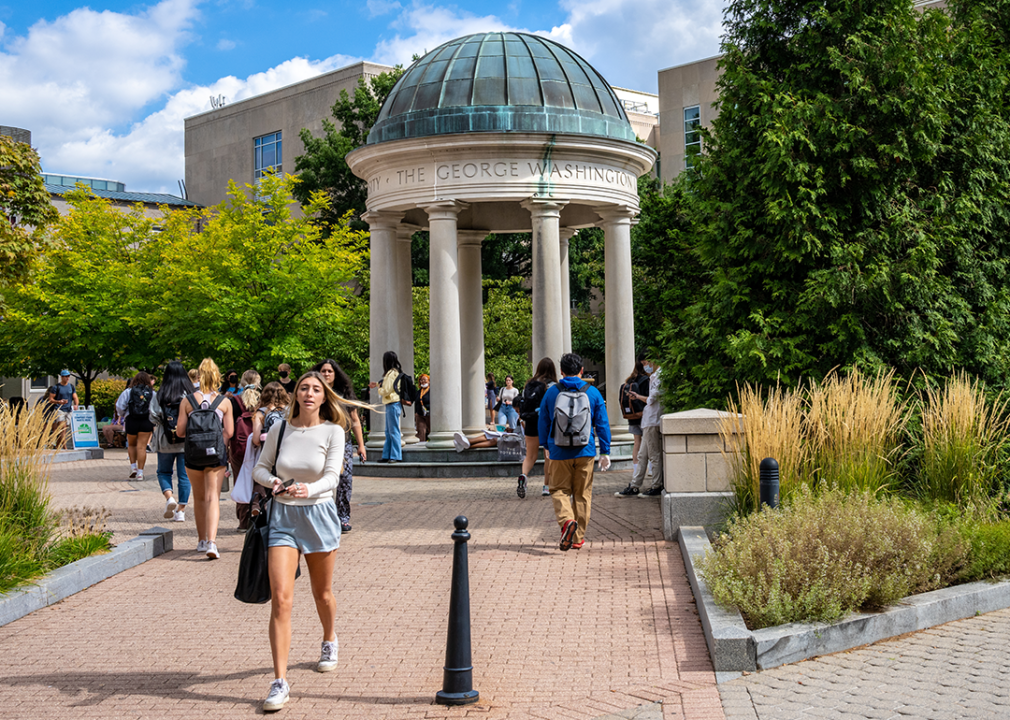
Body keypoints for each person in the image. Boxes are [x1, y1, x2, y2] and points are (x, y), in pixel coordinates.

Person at [252, 370, 348, 712]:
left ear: (324, 397)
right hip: (283, 519)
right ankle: (280, 682)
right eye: (304, 388)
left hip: (319, 517)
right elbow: (259, 469)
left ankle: (329, 638)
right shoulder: (279, 430)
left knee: (322, 593)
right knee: (281, 600)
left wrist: (309, 488)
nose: (309, 394)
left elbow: (333, 476)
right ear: (295, 394)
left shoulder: (333, 431)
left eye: (316, 390)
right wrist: (274, 482)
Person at [538, 353, 611, 551]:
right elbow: (602, 424)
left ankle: (567, 521)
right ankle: (577, 538)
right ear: (581, 371)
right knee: (582, 494)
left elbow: (543, 420)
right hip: (585, 450)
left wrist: (546, 444)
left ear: (561, 372)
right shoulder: (593, 393)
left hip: (559, 451)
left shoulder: (552, 392)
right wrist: (605, 451)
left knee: (559, 490)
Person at [176, 358, 235, 559]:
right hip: (215, 454)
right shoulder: (225, 402)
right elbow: (229, 431)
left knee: (199, 497)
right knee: (213, 498)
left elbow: (180, 432)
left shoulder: (187, 401)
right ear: (218, 377)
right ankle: (212, 542)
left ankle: (201, 540)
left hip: (193, 453)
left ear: (198, 377)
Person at [313, 359, 367, 532]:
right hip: (319, 444)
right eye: (323, 371)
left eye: (330, 371)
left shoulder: (345, 394)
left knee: (344, 481)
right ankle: (321, 517)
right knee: (319, 480)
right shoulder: (314, 393)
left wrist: (361, 445)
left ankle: (342, 517)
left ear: (336, 374)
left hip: (343, 444)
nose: (326, 374)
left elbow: (355, 421)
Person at [149, 361, 194, 522]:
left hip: (165, 438)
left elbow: (153, 415)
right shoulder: (190, 394)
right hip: (185, 439)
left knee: (163, 471)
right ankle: (181, 511)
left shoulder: (160, 394)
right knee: (185, 475)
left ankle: (169, 498)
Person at [616, 356, 665, 498]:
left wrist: (637, 397)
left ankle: (656, 485)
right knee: (643, 455)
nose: (645, 366)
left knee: (653, 455)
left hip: (652, 420)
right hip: (648, 420)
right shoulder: (654, 376)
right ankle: (635, 485)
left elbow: (652, 399)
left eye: (645, 363)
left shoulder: (659, 377)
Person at [517, 358, 557, 499]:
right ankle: (546, 486)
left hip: (531, 422)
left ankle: (523, 476)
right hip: (546, 423)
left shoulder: (529, 384)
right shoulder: (552, 385)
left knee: (530, 456)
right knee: (548, 457)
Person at [248, 381, 290, 518]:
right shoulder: (290, 411)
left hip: (268, 454)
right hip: (288, 454)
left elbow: (256, 439)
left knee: (265, 481)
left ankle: (262, 509)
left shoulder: (261, 412)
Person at [232, 371, 261, 531]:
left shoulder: (234, 401)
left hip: (239, 447)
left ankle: (243, 522)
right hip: (259, 446)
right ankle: (257, 510)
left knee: (240, 482)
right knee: (259, 481)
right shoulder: (262, 399)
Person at [116, 371, 155, 480]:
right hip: (146, 421)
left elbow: (120, 406)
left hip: (132, 420)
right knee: (142, 447)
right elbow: (156, 408)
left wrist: (122, 415)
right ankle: (140, 473)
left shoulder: (128, 392)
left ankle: (133, 467)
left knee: (132, 444)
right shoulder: (152, 393)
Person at [369, 351, 403, 463]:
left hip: (393, 404)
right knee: (388, 431)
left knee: (393, 431)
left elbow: (386, 390)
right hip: (392, 404)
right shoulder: (393, 373)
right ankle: (388, 455)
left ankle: (395, 456)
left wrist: (379, 390)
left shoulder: (391, 373)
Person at [621, 354, 650, 477]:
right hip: (644, 416)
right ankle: (651, 469)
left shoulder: (629, 380)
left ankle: (636, 470)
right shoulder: (646, 380)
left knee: (636, 442)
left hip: (632, 416)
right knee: (648, 443)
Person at [46, 371, 79, 446]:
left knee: (64, 430)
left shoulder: (71, 386)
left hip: (68, 410)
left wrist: (76, 405)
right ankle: (65, 448)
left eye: (68, 376)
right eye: (65, 376)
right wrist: (59, 402)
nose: (67, 378)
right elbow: (50, 399)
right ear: (61, 377)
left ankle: (57, 446)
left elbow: (75, 397)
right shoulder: (56, 387)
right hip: (59, 409)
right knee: (63, 428)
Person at [415, 374, 431, 442]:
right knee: (420, 431)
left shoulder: (432, 391)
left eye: (425, 380)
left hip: (430, 414)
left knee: (432, 430)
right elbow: (416, 402)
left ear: (429, 381)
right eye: (421, 380)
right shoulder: (418, 392)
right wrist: (415, 413)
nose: (423, 381)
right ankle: (421, 445)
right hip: (420, 414)